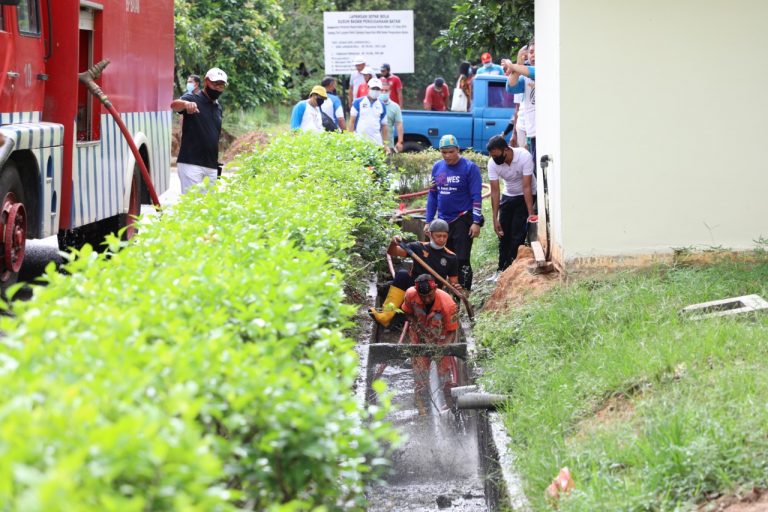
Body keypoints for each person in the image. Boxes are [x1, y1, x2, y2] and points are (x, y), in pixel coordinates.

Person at [369, 219, 459, 327]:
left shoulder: (451, 257)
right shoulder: (418, 247)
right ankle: (386, 315)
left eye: (444, 236)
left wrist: (455, 287)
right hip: (414, 287)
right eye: (438, 236)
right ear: (430, 234)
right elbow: (392, 251)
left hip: (432, 292)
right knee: (402, 274)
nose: (442, 239)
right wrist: (393, 243)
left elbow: (453, 282)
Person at [425, 134, 483, 290]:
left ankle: (463, 292)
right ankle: (444, 291)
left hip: (462, 218)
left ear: (458, 149)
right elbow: (433, 195)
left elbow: (476, 196)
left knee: (462, 258)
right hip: (443, 221)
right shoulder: (438, 167)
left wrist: (476, 222)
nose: (447, 156)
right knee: (442, 257)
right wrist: (428, 220)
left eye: (451, 152)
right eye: (444, 152)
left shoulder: (469, 168)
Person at [401, 274, 459, 411]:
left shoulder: (448, 304)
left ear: (435, 288)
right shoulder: (410, 295)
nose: (427, 300)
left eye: (429, 295)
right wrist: (416, 326)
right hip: (418, 336)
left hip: (441, 337)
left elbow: (452, 331)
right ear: (417, 292)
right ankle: (422, 405)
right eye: (423, 296)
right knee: (420, 372)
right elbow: (407, 312)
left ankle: (451, 405)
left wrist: (442, 351)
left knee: (444, 373)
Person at [486, 134, 537, 276]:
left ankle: (512, 268)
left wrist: (530, 213)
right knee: (503, 233)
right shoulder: (492, 163)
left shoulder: (524, 156)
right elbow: (495, 191)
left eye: (497, 156)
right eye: (492, 156)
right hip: (508, 194)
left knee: (517, 233)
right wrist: (495, 218)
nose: (495, 159)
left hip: (526, 194)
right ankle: (501, 269)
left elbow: (527, 186)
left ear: (506, 149)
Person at [171, 67, 227, 194]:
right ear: (206, 81)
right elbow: (174, 105)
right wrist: (186, 104)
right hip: (191, 164)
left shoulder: (218, 108)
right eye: (215, 83)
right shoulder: (192, 99)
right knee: (193, 202)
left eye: (221, 85)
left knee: (209, 205)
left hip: (211, 165)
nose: (218, 88)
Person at [502, 40, 536, 165]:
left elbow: (533, 72)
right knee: (533, 168)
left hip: (546, 129)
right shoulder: (524, 76)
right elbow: (510, 87)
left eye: (536, 52)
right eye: (531, 52)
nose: (533, 55)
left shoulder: (546, 69)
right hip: (532, 131)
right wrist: (518, 63)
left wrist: (512, 65)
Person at [349, 78, 389, 149]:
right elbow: (352, 122)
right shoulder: (358, 102)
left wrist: (385, 144)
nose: (375, 91)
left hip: (376, 143)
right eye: (373, 88)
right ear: (368, 88)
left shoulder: (382, 105)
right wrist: (350, 139)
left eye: (377, 89)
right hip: (359, 142)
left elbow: (384, 125)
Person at [380, 79, 403, 153]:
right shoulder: (374, 105)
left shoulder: (395, 107)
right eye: (381, 90)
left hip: (389, 144)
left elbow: (399, 124)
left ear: (390, 91)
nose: (383, 92)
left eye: (386, 90)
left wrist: (400, 141)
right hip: (374, 143)